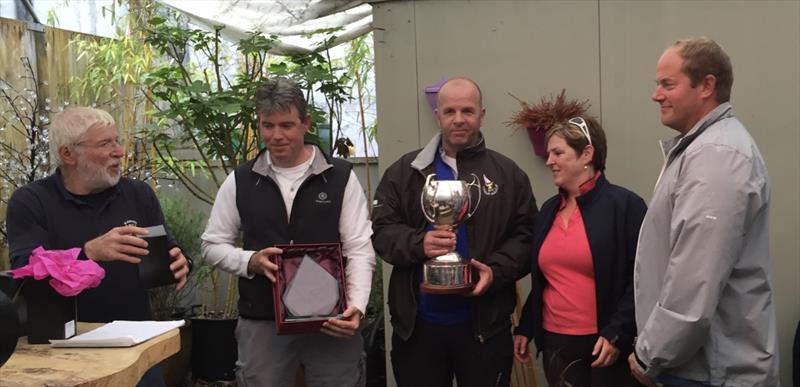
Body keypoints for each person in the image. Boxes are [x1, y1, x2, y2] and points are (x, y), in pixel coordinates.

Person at [200, 77, 375, 387]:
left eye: (286, 125)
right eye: (268, 126)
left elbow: (359, 248)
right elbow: (212, 245)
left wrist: (356, 306)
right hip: (263, 319)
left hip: (332, 320)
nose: (276, 136)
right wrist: (250, 261)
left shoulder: (340, 178)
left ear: (305, 123)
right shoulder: (241, 180)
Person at [628, 37, 779, 386]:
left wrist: (650, 354)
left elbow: (694, 279)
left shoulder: (717, 156)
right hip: (701, 365)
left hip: (712, 371)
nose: (656, 95)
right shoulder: (703, 149)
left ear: (707, 85)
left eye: (667, 84)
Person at [6, 106, 191, 386]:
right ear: (68, 154)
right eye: (105, 144)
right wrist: (89, 253)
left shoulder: (138, 194)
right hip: (60, 352)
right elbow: (26, 271)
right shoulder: (31, 202)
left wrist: (181, 262)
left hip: (137, 346)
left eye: (117, 141)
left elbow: (167, 251)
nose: (119, 151)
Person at [371, 77, 537, 387]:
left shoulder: (508, 175)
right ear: (438, 116)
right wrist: (420, 243)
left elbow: (527, 236)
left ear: (482, 115)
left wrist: (495, 271)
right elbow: (381, 231)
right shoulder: (406, 172)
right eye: (449, 111)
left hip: (484, 327)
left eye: (467, 111)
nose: (458, 119)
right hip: (418, 328)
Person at [513, 116, 646, 386]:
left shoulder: (626, 206)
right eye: (549, 153)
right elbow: (544, 278)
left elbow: (642, 279)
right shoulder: (549, 210)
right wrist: (526, 327)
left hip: (604, 346)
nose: (549, 160)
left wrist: (616, 333)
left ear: (587, 153)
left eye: (558, 153)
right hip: (555, 344)